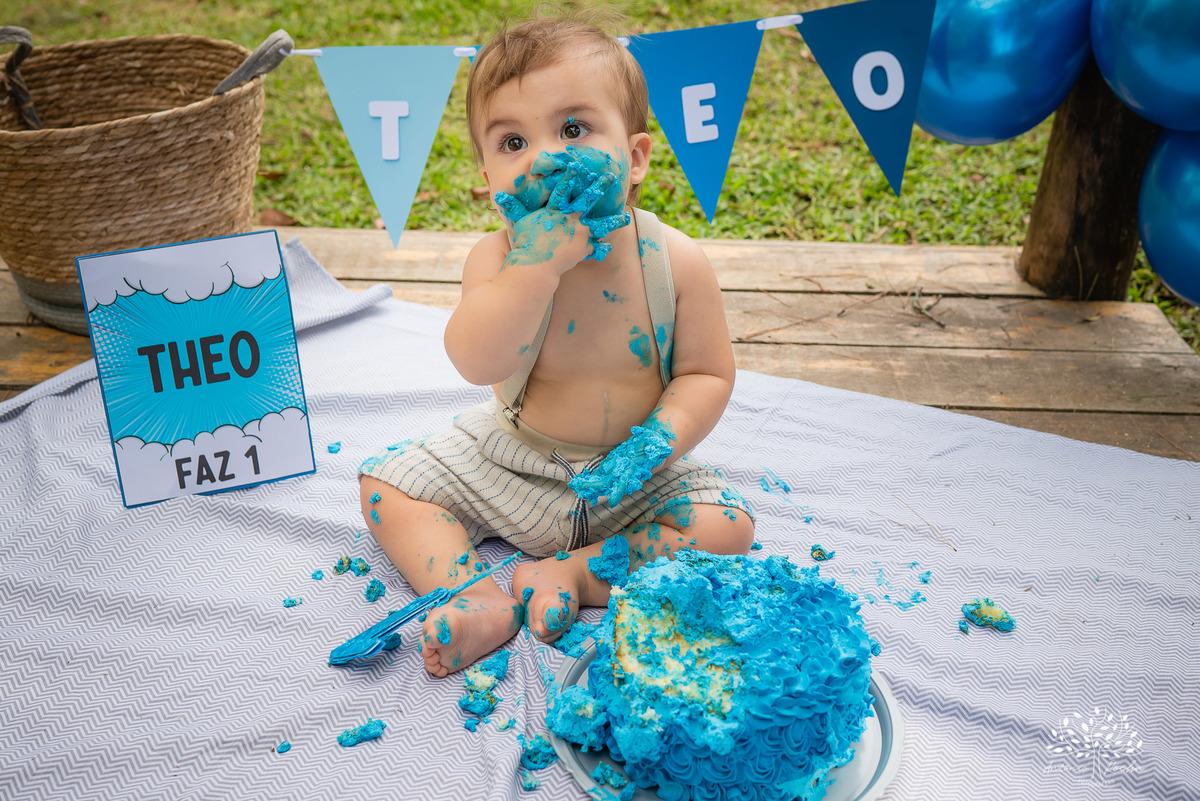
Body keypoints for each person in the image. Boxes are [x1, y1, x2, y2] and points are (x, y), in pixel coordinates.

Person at [358, 13, 754, 677]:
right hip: (514, 458)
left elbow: (707, 373)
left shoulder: (674, 261)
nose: (544, 158)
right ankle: (477, 597)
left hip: (634, 476)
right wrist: (533, 270)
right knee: (384, 488)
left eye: (573, 129)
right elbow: (476, 359)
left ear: (634, 158)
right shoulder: (497, 258)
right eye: (513, 141)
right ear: (486, 180)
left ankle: (578, 572)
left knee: (728, 525)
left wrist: (657, 440)